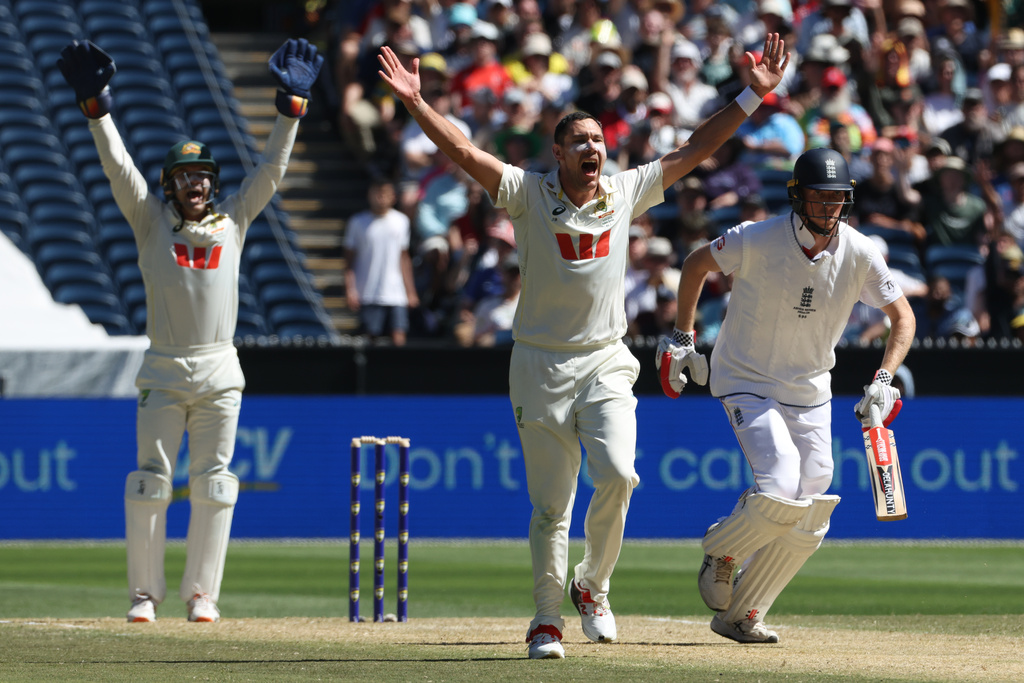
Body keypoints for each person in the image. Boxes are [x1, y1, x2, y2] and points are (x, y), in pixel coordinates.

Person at [379, 32, 791, 659]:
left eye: (599, 139)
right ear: (559, 152)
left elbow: (694, 149)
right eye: (580, 141)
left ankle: (592, 586)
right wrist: (415, 103)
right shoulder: (526, 193)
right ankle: (546, 620)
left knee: (621, 476)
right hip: (539, 363)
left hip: (605, 358)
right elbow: (462, 148)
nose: (593, 148)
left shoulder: (624, 192)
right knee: (551, 509)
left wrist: (752, 96)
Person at [57, 38, 323, 622]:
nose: (196, 185)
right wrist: (97, 109)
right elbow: (117, 167)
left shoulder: (235, 220)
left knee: (215, 484)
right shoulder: (150, 221)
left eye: (203, 175)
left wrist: (290, 108)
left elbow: (272, 168)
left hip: (220, 367)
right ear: (170, 184)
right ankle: (143, 597)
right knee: (149, 482)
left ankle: (203, 595)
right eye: (184, 176)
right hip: (163, 365)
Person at [656, 147, 915, 643]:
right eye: (819, 197)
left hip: (811, 389)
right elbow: (694, 266)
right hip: (745, 378)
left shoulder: (860, 252)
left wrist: (884, 379)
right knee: (779, 483)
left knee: (814, 500)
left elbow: (903, 318)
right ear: (798, 197)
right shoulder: (756, 238)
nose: (829, 208)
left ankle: (743, 613)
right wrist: (684, 337)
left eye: (837, 198)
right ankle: (722, 549)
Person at [345, 178, 420, 346]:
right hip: (369, 291)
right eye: (377, 193)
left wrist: (410, 291)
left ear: (393, 197)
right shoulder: (357, 222)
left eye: (385, 194)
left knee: (399, 335)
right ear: (369, 195)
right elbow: (349, 260)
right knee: (371, 337)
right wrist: (351, 289)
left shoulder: (402, 221)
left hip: (396, 292)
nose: (381, 198)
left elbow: (404, 257)